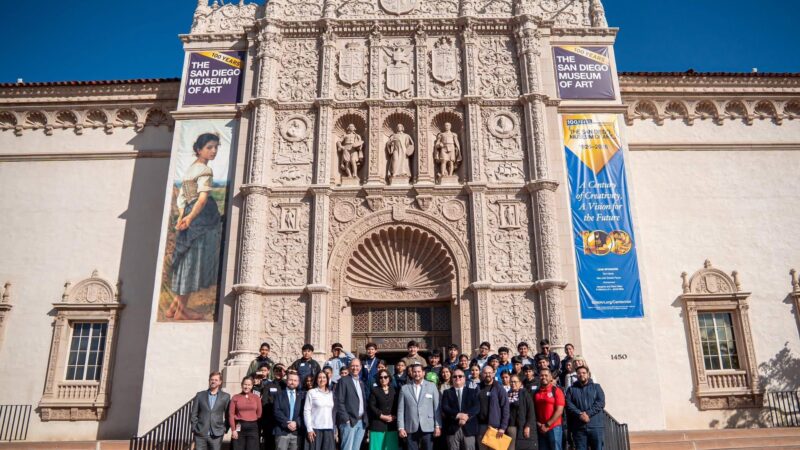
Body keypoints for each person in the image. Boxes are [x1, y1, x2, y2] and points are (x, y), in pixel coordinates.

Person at [166, 132, 223, 320]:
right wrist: (189, 218)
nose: (213, 151)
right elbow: (202, 199)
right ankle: (181, 311)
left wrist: (182, 215)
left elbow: (183, 197)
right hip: (200, 218)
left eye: (216, 147)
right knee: (191, 263)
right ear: (199, 149)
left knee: (186, 261)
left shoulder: (191, 168)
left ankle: (174, 308)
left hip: (191, 214)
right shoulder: (205, 171)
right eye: (209, 147)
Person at [397, 364, 442, 450]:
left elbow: (437, 408)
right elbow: (401, 410)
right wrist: (401, 428)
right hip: (410, 426)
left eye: (419, 372)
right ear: (411, 373)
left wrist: (437, 426)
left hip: (428, 426)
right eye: (414, 372)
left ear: (423, 373)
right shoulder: (404, 388)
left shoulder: (432, 386)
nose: (417, 374)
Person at [565, 366, 605, 450]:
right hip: (579, 428)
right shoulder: (571, 389)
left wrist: (588, 414)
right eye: (579, 373)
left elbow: (600, 402)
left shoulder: (596, 387)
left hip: (595, 426)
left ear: (588, 374)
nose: (581, 375)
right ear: (576, 375)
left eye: (584, 373)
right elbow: (569, 404)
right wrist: (579, 414)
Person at [441, 368, 480, 450]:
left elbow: (476, 407)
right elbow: (445, 407)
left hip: (468, 428)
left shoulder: (472, 392)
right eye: (455, 376)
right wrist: (457, 415)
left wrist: (466, 417)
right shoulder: (447, 392)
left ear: (464, 378)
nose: (457, 378)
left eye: (460, 376)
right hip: (452, 428)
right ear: (452, 379)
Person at [191, 371, 231, 450]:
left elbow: (228, 415)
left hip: (217, 434)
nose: (213, 381)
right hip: (201, 433)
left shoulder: (225, 396)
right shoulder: (200, 395)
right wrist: (194, 428)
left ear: (220, 382)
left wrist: (225, 428)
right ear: (209, 381)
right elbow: (194, 413)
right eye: (211, 379)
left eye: (216, 380)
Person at [336, 359, 369, 450]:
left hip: (361, 422)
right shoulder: (343, 380)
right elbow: (339, 401)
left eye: (357, 366)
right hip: (349, 422)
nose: (355, 368)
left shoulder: (361, 382)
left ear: (361, 368)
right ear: (349, 367)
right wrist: (346, 419)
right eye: (353, 366)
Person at [477, 366, 509, 450]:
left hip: (495, 428)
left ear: (494, 374)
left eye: (490, 373)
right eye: (485, 373)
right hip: (481, 427)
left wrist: (502, 427)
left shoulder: (499, 388)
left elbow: (505, 409)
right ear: (481, 374)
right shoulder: (478, 388)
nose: (488, 375)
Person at [533, 368, 564, 450]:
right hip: (541, 428)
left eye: (546, 375)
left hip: (554, 427)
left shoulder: (557, 391)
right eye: (541, 375)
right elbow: (533, 410)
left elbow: (559, 410)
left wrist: (547, 424)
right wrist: (539, 424)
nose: (544, 377)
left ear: (550, 377)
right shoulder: (536, 393)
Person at [304, 371, 337, 450]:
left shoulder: (331, 394)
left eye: (324, 377)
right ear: (316, 379)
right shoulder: (311, 392)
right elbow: (306, 411)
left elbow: (333, 412)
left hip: (329, 429)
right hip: (315, 430)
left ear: (327, 379)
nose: (322, 379)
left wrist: (335, 429)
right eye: (319, 377)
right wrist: (309, 429)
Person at [368, 369, 399, 450]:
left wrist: (394, 416)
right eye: (381, 377)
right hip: (377, 424)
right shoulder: (374, 390)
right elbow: (372, 406)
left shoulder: (395, 390)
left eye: (385, 377)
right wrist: (381, 416)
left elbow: (398, 405)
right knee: (376, 447)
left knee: (391, 447)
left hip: (392, 425)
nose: (383, 379)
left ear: (389, 378)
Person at [274, 371, 305, 450]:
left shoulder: (302, 396)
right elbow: (276, 411)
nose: (292, 382)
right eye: (290, 380)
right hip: (282, 431)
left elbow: (304, 412)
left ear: (298, 382)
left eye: (295, 380)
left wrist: (296, 423)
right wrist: (287, 422)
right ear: (287, 380)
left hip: (296, 432)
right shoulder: (279, 395)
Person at [230, 376, 263, 450]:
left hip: (253, 427)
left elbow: (259, 414)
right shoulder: (235, 397)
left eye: (249, 385)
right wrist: (233, 430)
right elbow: (231, 414)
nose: (246, 387)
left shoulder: (256, 397)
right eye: (245, 384)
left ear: (252, 386)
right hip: (239, 426)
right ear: (241, 385)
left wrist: (251, 417)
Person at [506, 375, 535, 450]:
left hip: (522, 427)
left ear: (520, 383)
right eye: (511, 382)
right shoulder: (507, 394)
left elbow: (530, 411)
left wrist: (528, 426)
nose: (513, 384)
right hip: (510, 427)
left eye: (515, 382)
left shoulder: (525, 394)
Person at [259, 370, 282, 450]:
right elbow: (264, 402)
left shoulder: (286, 385)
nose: (279, 373)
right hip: (270, 419)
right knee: (269, 443)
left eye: (281, 371)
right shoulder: (269, 385)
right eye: (277, 370)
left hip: (283, 421)